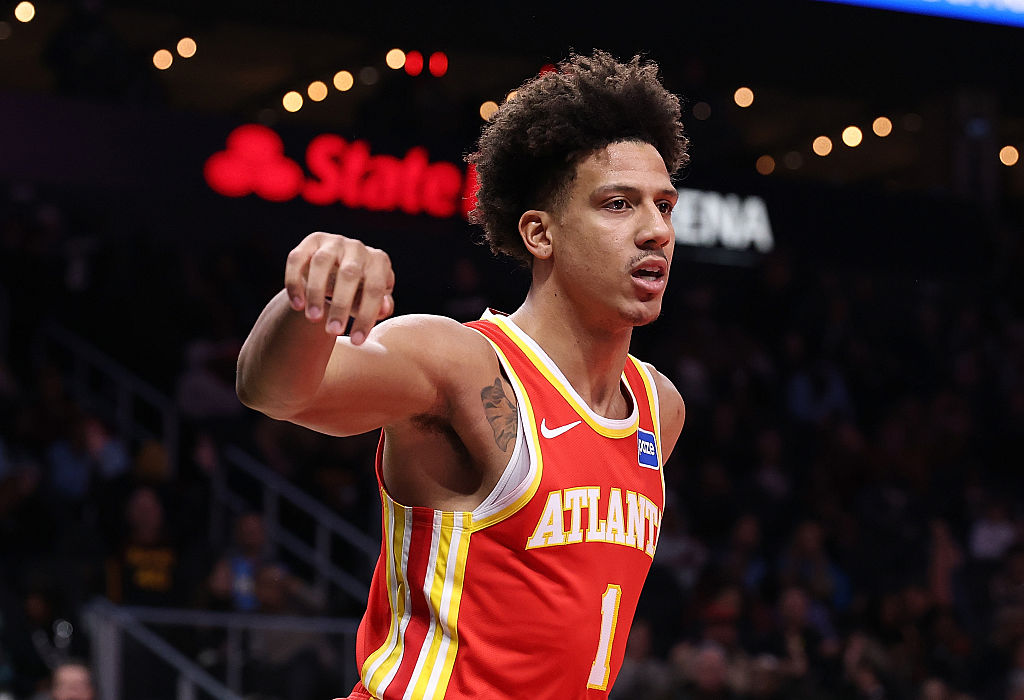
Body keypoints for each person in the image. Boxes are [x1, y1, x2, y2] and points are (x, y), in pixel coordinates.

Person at [237, 50, 688, 699]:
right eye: (619, 204)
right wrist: (309, 299)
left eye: (664, 206)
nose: (655, 231)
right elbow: (273, 390)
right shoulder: (459, 363)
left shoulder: (658, 408)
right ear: (539, 232)